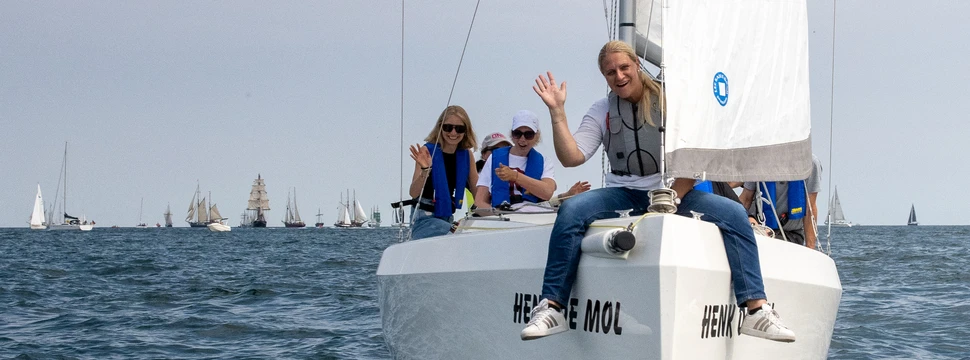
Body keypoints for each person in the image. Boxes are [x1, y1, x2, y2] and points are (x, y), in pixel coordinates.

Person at [519, 40, 795, 343]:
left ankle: (755, 309)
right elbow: (572, 158)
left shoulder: (670, 100)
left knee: (734, 213)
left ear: (637, 64)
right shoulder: (602, 110)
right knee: (572, 211)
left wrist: (672, 196)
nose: (619, 76)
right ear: (604, 77)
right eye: (610, 72)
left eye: (624, 67)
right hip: (623, 192)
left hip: (672, 192)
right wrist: (557, 112)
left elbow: (694, 158)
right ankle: (553, 306)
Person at [408, 105, 479, 240]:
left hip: (447, 219)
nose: (453, 133)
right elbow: (413, 193)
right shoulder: (427, 152)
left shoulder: (467, 155)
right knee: (460, 234)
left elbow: (477, 191)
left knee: (470, 232)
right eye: (448, 127)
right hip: (424, 220)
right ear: (440, 127)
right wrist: (425, 170)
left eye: (459, 129)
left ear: (466, 131)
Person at [474, 110, 557, 210]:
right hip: (501, 217)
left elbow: (547, 192)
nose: (522, 139)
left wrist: (515, 176)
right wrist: (498, 215)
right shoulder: (494, 158)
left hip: (533, 216)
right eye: (517, 134)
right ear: (512, 135)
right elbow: (480, 201)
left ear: (536, 136)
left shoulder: (545, 162)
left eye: (528, 134)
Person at [739, 155, 822, 249]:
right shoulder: (759, 160)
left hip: (791, 234)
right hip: (758, 229)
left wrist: (810, 249)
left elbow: (810, 208)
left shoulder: (810, 163)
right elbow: (745, 199)